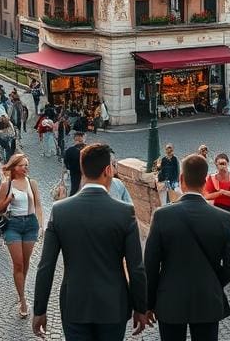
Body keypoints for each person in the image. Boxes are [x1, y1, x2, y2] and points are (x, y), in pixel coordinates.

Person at [33, 144, 148, 341]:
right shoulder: (125, 212)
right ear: (108, 170)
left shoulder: (60, 210)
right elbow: (136, 268)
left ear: (82, 167)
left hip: (75, 304)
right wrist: (140, 307)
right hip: (113, 305)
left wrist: (39, 310)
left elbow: (46, 266)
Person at [144, 153, 230, 340]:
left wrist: (148, 304)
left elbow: (150, 265)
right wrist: (211, 282)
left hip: (170, 299)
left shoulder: (162, 216)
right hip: (207, 299)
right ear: (205, 180)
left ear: (181, 179)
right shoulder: (223, 218)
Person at [0, 153, 44, 319]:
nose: (25, 168)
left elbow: (38, 205)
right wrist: (9, 199)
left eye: (26, 165)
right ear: (14, 167)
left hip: (30, 224)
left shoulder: (32, 183)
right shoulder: (7, 184)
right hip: (13, 225)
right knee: (18, 263)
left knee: (25, 263)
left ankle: (20, 288)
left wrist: (40, 224)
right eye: (21, 165)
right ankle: (23, 299)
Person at [204, 153, 230, 224]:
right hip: (219, 207)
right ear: (216, 165)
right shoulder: (212, 178)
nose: (223, 166)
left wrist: (224, 192)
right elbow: (207, 196)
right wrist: (220, 193)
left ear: (228, 163)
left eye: (224, 163)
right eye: (220, 164)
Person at [64, 131, 86, 196]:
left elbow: (66, 164)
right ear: (84, 139)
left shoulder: (69, 150)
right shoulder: (89, 150)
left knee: (74, 190)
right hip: (87, 174)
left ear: (74, 140)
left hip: (74, 174)